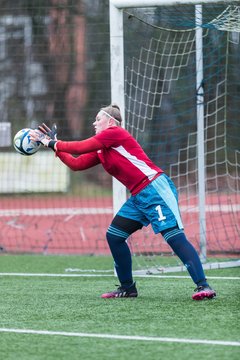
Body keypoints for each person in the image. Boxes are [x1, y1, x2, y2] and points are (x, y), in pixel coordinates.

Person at [30, 104, 216, 301]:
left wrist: (51, 143)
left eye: (98, 119)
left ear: (110, 122)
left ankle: (203, 286)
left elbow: (81, 146)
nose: (94, 123)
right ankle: (127, 288)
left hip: (154, 189)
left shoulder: (115, 133)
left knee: (173, 236)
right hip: (138, 196)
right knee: (115, 236)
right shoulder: (103, 147)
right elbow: (77, 163)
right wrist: (54, 145)